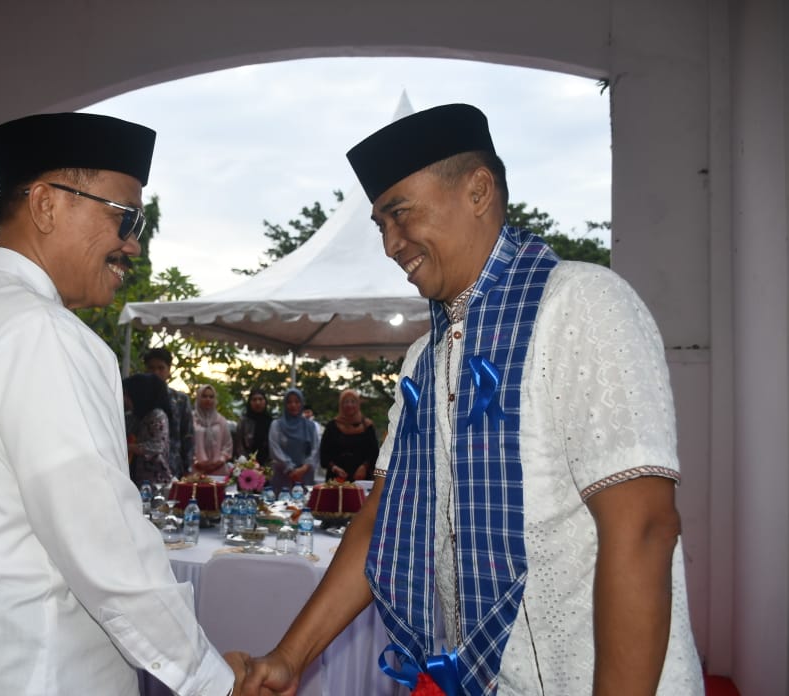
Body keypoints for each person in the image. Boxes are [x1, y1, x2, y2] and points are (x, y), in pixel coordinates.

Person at [228, 104, 703, 695]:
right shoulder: (425, 357)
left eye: (400, 213)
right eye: (380, 225)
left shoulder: (581, 305)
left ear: (478, 191)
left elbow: (645, 528)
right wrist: (289, 658)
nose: (390, 244)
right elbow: (381, 521)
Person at [0, 113, 232, 695]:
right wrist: (212, 679)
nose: (133, 244)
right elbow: (104, 543)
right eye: (125, 217)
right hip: (37, 673)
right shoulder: (38, 330)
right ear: (47, 205)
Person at [143, 346, 194, 478]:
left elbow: (188, 436)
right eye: (151, 368)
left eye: (161, 368)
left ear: (169, 370)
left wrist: (188, 468)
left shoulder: (180, 400)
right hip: (143, 468)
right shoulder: (137, 400)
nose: (156, 372)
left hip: (173, 466)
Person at [123, 372, 173, 487]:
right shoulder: (134, 416)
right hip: (136, 477)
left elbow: (157, 446)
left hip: (154, 480)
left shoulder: (157, 416)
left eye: (127, 395)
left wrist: (128, 447)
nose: (124, 399)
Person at [319, 388, 379, 482]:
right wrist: (334, 468)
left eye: (353, 402)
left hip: (361, 479)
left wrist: (364, 467)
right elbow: (324, 454)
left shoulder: (367, 426)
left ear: (358, 404)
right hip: (336, 480)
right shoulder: (332, 426)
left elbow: (374, 452)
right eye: (346, 402)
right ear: (341, 405)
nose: (349, 405)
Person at [267, 388, 319, 495]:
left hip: (304, 477)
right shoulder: (277, 425)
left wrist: (304, 468)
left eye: (297, 401)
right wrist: (290, 468)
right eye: (289, 402)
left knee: (304, 503)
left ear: (302, 403)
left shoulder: (310, 426)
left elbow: (315, 449)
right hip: (282, 476)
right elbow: (275, 449)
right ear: (285, 404)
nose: (293, 405)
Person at [192, 383, 233, 476]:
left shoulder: (221, 420)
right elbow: (186, 445)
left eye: (211, 397)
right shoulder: (191, 419)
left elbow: (228, 445)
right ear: (198, 398)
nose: (208, 399)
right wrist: (196, 462)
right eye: (204, 396)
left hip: (219, 470)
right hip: (196, 471)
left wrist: (218, 462)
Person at [232, 387, 272, 466]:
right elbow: (239, 446)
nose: (257, 402)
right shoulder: (244, 422)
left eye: (260, 399)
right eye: (254, 400)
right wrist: (247, 464)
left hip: (267, 466)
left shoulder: (271, 422)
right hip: (247, 464)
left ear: (265, 401)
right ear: (250, 402)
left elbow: (273, 447)